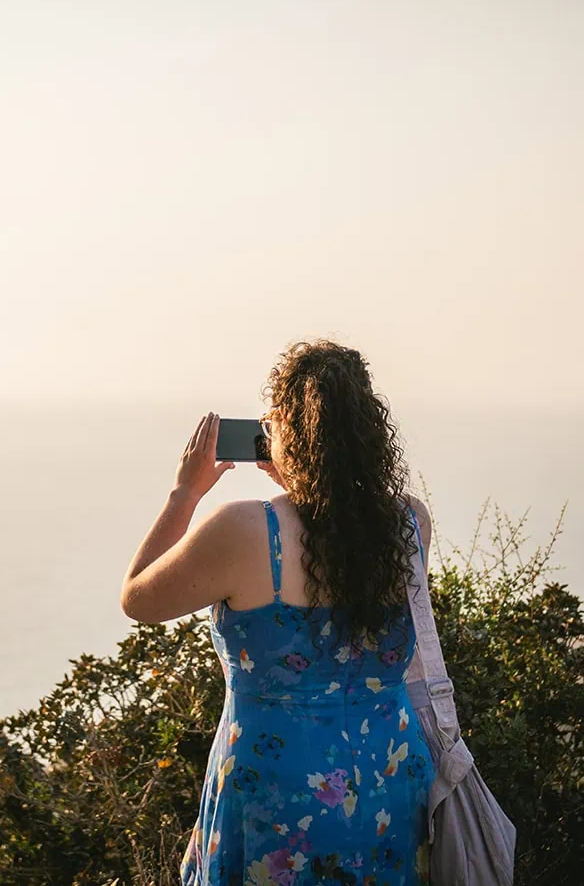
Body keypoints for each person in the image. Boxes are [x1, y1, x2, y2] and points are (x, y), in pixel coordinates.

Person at [121, 340, 437, 886]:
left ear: (288, 430)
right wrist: (304, 478)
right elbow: (334, 540)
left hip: (276, 790)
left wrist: (183, 494)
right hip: (388, 775)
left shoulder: (246, 530)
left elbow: (139, 600)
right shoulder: (410, 524)